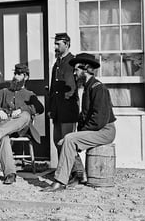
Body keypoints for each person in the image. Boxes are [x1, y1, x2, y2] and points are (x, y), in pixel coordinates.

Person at [43, 53, 116, 191]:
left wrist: (79, 135)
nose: (75, 74)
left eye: (76, 70)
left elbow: (99, 120)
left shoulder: (98, 88)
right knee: (68, 139)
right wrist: (79, 134)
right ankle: (76, 175)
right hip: (98, 129)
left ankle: (60, 181)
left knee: (69, 139)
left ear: (86, 69)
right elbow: (85, 116)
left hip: (105, 131)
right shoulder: (88, 87)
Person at [0, 64, 44, 184]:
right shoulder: (4, 92)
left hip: (22, 128)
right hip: (6, 126)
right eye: (15, 74)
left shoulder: (29, 94)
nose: (15, 77)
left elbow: (39, 108)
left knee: (26, 115)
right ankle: (10, 174)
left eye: (19, 74)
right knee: (4, 137)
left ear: (25, 77)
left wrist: (22, 109)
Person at [48, 32, 85, 183]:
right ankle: (67, 171)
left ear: (67, 44)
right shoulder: (57, 63)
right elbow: (52, 89)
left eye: (58, 44)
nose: (55, 46)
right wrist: (51, 108)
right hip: (57, 110)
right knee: (57, 140)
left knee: (67, 142)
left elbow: (79, 87)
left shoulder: (74, 62)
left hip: (69, 109)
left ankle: (78, 172)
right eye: (55, 44)